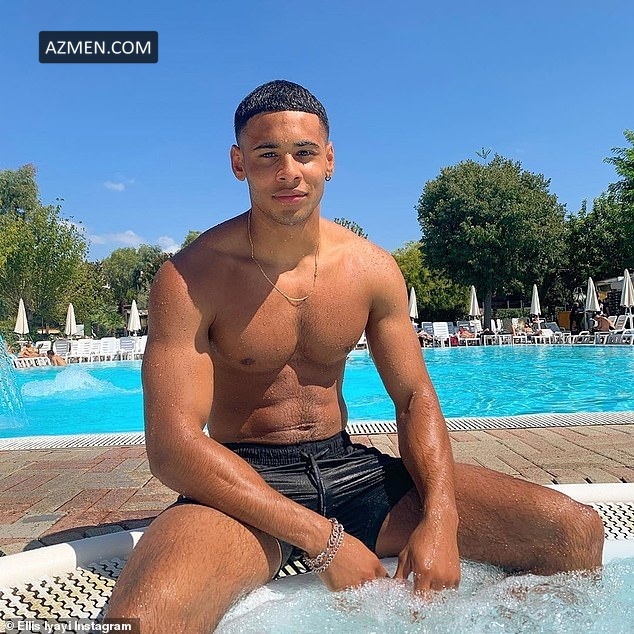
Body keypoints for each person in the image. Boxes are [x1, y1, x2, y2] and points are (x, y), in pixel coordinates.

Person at [105, 80, 604, 631]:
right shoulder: (191, 277)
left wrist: (441, 517)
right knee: (139, 621)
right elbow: (173, 448)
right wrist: (325, 540)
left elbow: (413, 397)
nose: (288, 172)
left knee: (573, 532)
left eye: (304, 153)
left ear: (330, 160)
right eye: (267, 155)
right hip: (244, 484)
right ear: (238, 164)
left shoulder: (371, 268)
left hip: (351, 471)